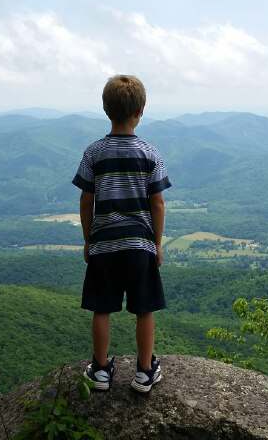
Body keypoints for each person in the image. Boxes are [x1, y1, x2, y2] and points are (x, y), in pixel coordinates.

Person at [72, 74, 171, 393]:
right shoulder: (150, 153)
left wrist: (89, 240)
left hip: (104, 245)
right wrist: (156, 243)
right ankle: (144, 371)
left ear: (105, 109)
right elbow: (157, 202)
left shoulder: (94, 152)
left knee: (102, 308)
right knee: (145, 308)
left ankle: (100, 370)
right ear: (140, 111)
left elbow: (87, 200)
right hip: (140, 244)